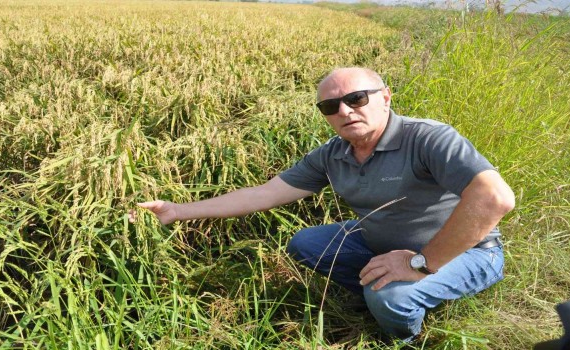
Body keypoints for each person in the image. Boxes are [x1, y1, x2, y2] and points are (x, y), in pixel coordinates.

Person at [129, 67, 515, 341]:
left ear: (385, 98)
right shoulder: (333, 154)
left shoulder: (428, 138)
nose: (345, 111)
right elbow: (265, 194)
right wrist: (178, 211)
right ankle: (378, 294)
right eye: (330, 107)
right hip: (383, 242)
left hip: (465, 252)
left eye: (356, 98)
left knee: (390, 296)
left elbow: (494, 198)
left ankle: (404, 334)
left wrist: (420, 263)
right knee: (306, 244)